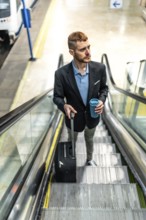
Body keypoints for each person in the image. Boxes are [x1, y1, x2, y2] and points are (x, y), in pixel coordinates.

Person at [53, 31, 108, 166]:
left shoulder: (99, 68)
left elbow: (104, 89)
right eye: (83, 49)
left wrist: (101, 100)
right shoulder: (61, 74)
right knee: (72, 140)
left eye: (88, 47)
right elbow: (57, 97)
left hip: (92, 116)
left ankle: (89, 159)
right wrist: (64, 106)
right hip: (73, 119)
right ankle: (72, 160)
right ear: (72, 52)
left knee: (90, 138)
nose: (88, 52)